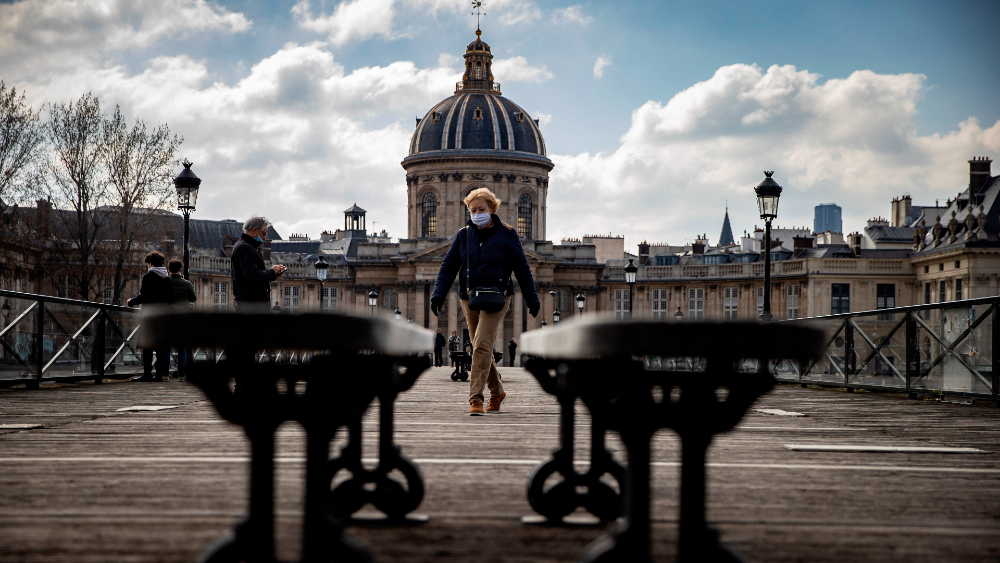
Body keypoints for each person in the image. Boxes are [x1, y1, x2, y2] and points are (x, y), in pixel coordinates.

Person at [431, 187, 539, 416]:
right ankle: (497, 392)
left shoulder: (507, 234)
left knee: (479, 345)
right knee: (484, 348)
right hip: (468, 297)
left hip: (498, 297)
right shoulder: (463, 235)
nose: (476, 213)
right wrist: (438, 294)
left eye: (481, 209)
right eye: (472, 210)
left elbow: (521, 268)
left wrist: (532, 298)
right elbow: (448, 266)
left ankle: (476, 399)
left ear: (492, 209)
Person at [128, 251, 174, 382]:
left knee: (147, 346)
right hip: (163, 316)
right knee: (160, 347)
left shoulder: (148, 277)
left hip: (150, 315)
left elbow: (145, 296)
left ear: (150, 263)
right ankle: (159, 374)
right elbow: (171, 299)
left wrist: (131, 301)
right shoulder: (168, 279)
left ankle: (147, 374)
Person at [231, 216, 286, 312]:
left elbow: (252, 275)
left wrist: (272, 274)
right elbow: (253, 277)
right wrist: (272, 272)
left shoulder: (242, 245)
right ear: (254, 230)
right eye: (263, 234)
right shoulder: (246, 248)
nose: (264, 238)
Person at [167, 259, 196, 378]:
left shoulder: (166, 282)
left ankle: (165, 373)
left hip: (168, 316)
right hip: (183, 317)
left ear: (168, 270)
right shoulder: (186, 283)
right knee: (182, 348)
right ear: (180, 270)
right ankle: (182, 374)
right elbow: (193, 299)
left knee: (166, 346)